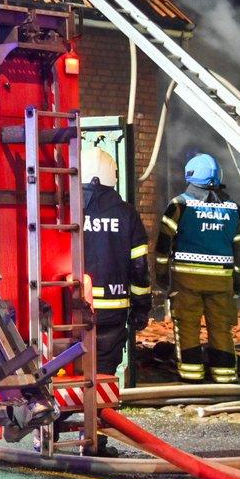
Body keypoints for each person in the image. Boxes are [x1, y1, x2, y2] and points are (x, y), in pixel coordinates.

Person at [153, 153, 240, 384]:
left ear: (190, 175)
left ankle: (191, 375)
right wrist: (237, 283)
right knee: (222, 328)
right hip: (222, 280)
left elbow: (163, 246)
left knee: (187, 326)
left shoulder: (179, 205)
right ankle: (224, 376)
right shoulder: (235, 209)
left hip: (186, 281)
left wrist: (162, 277)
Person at [79, 147, 151, 391]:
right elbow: (139, 265)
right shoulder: (127, 213)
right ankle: (97, 419)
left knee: (69, 362)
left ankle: (64, 412)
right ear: (113, 175)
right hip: (113, 308)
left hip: (74, 305)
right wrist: (142, 308)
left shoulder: (67, 209)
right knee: (104, 370)